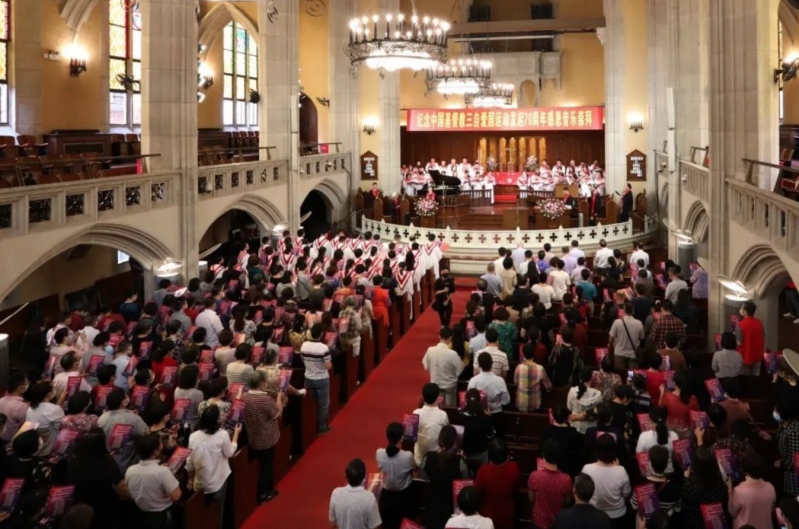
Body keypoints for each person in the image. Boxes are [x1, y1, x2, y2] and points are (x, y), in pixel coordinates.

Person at [186, 406, 241, 527]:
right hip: (218, 483)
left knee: (203, 518)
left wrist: (190, 478)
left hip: (199, 485)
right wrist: (236, 435)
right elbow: (230, 453)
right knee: (217, 514)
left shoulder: (193, 436)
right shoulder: (222, 435)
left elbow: (189, 462)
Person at [65, 428, 128, 529]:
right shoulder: (107, 464)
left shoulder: (72, 461)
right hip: (104, 510)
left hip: (80, 509)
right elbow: (121, 487)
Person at [243, 369, 285, 504]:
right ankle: (265, 493)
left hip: (252, 436)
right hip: (266, 438)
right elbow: (277, 414)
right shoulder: (265, 400)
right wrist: (279, 397)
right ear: (261, 383)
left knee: (258, 467)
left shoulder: (243, 397)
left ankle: (261, 491)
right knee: (266, 467)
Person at [124, 434, 182, 529]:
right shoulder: (163, 472)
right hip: (161, 516)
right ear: (155, 451)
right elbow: (176, 496)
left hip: (140, 515)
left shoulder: (130, 470)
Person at [422, 426, 470, 529]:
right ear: (454, 442)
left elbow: (423, 476)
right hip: (450, 506)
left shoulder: (427, 457)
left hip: (432, 504)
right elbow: (465, 482)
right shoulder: (460, 462)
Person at [580, 434, 631, 525]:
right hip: (618, 514)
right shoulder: (621, 470)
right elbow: (626, 494)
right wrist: (617, 468)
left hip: (594, 512)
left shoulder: (587, 469)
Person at [97, 387, 149, 472]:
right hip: (128, 464)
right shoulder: (134, 418)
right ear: (123, 402)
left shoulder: (101, 418)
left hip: (106, 463)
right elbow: (147, 435)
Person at [376, 422, 417, 529]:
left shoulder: (379, 453)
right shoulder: (407, 456)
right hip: (403, 498)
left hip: (386, 498)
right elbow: (414, 469)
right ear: (402, 438)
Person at [527, 440, 573, 529]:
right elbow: (568, 502)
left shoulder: (534, 476)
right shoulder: (566, 479)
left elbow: (531, 498)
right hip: (557, 522)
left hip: (538, 521)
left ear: (543, 455)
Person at [680, 447, 728, 529]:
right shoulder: (720, 484)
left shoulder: (689, 485)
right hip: (715, 523)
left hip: (694, 522)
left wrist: (685, 478)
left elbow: (684, 499)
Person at [628, 445, 680, 516]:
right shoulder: (675, 486)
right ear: (666, 464)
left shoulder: (641, 483)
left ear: (650, 463)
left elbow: (634, 506)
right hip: (664, 520)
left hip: (645, 520)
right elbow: (678, 509)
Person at [727, 453, 775, 529]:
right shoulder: (770, 487)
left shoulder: (740, 491)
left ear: (745, 470)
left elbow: (733, 513)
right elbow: (771, 510)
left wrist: (730, 490)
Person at [301, 323, 333, 434]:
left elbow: (303, 360)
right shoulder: (323, 348)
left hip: (308, 377)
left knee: (310, 404)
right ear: (321, 334)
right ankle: (322, 428)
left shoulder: (304, 345)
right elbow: (328, 366)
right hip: (321, 379)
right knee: (323, 404)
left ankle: (311, 427)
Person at [422, 327, 465, 407]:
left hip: (435, 383)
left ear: (439, 336)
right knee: (449, 406)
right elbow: (460, 368)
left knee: (437, 405)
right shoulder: (452, 354)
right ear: (450, 338)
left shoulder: (430, 350)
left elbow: (426, 366)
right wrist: (454, 375)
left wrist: (433, 370)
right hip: (450, 384)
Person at [413, 383, 450, 466]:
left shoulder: (416, 413)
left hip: (419, 458)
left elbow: (410, 436)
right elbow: (446, 433)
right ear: (438, 397)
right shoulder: (443, 415)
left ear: (423, 396)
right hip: (437, 459)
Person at [25, 381, 66, 456]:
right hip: (49, 450)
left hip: (35, 448)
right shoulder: (55, 409)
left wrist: (61, 399)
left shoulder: (30, 408)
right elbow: (60, 428)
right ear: (49, 394)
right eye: (53, 388)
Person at [635, 406, 678, 474]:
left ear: (651, 422)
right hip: (669, 470)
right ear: (666, 420)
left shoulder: (644, 436)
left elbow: (639, 455)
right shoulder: (674, 436)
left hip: (650, 472)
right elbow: (675, 455)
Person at [467, 353, 511, 419]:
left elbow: (469, 399)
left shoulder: (473, 381)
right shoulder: (500, 381)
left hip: (478, 415)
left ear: (479, 365)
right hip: (496, 415)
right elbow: (506, 401)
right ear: (492, 363)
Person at [659, 371, 699, 436]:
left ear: (674, 382)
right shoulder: (693, 399)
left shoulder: (667, 396)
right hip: (687, 433)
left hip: (671, 432)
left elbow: (660, 410)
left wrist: (661, 393)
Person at [515, 343, 552, 412]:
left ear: (523, 354)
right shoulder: (540, 368)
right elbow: (548, 385)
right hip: (535, 403)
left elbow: (515, 382)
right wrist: (549, 389)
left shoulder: (519, 367)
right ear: (534, 354)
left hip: (521, 402)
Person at [608, 301, 644, 370]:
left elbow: (611, 338)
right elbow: (641, 337)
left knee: (620, 374)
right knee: (631, 375)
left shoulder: (617, 322)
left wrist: (610, 346)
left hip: (619, 353)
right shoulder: (639, 323)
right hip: (633, 354)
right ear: (633, 311)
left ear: (624, 310)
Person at [567, 368, 602, 434]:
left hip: (576, 424)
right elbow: (597, 412)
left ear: (579, 377)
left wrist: (578, 416)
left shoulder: (572, 391)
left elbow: (569, 407)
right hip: (591, 426)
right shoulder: (598, 394)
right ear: (591, 378)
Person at [735, 301, 764, 376]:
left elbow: (739, 342)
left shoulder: (740, 325)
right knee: (755, 378)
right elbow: (763, 335)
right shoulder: (759, 322)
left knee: (744, 379)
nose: (740, 309)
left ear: (745, 312)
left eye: (742, 308)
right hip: (757, 355)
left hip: (744, 356)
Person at [0, 371, 29, 442]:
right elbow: (25, 426)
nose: (28, 385)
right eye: (26, 383)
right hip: (11, 440)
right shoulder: (22, 406)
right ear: (20, 388)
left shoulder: (1, 400)